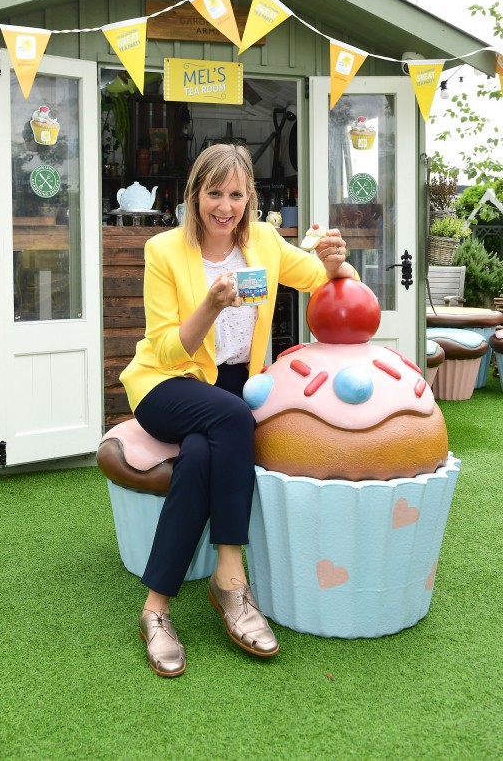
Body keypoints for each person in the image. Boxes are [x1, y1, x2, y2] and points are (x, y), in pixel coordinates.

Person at [119, 142, 356, 677]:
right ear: (194, 195)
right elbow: (164, 349)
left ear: (249, 197)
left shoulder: (266, 243)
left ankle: (155, 609)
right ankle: (231, 579)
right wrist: (209, 304)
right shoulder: (163, 251)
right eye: (213, 193)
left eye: (235, 194)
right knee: (230, 419)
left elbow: (325, 279)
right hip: (165, 383)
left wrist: (340, 264)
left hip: (229, 389)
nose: (224, 206)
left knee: (205, 452)